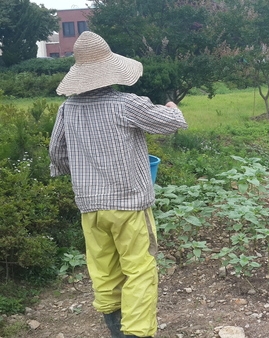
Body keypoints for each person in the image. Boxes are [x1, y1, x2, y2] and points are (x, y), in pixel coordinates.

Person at [49, 31, 188, 338]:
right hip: (129, 207)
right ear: (111, 71)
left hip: (91, 208)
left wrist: (82, 172)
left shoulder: (67, 109)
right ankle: (136, 334)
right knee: (139, 270)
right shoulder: (126, 104)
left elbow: (56, 153)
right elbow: (174, 124)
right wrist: (172, 108)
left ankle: (116, 331)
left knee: (104, 272)